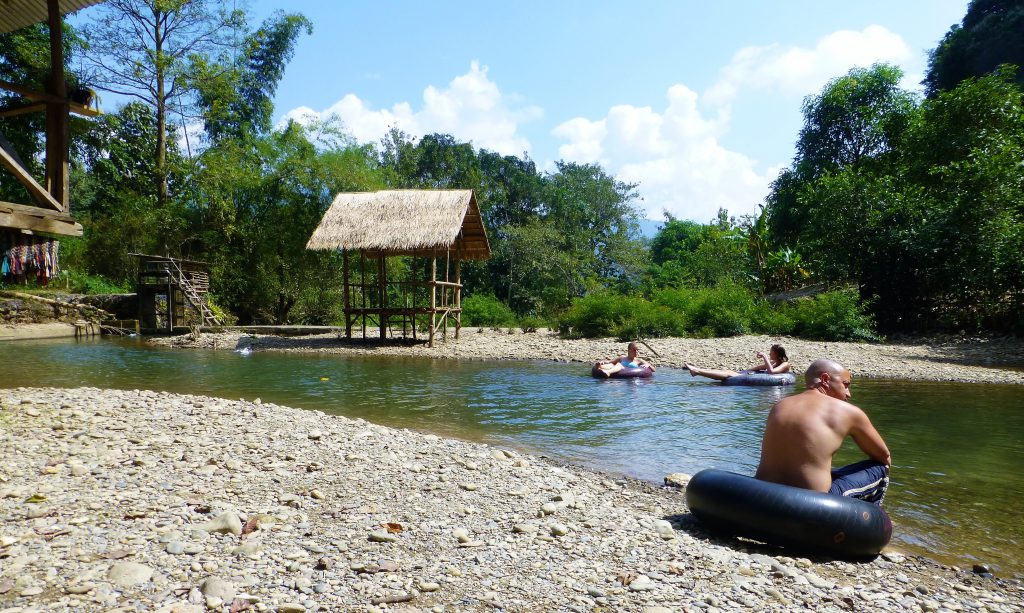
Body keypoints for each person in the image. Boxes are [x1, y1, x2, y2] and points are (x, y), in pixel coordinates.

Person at [755, 358, 891, 505]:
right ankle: (875, 520)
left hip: (764, 495)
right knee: (880, 468)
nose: (849, 394)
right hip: (814, 504)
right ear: (825, 379)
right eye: (845, 385)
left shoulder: (779, 406)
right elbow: (884, 456)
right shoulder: (848, 412)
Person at [684, 344, 790, 381]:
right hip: (756, 377)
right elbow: (758, 368)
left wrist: (764, 356)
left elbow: (771, 372)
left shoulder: (785, 364)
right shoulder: (774, 362)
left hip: (774, 382)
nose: (770, 354)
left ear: (776, 353)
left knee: (728, 374)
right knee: (728, 371)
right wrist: (742, 372)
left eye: (771, 353)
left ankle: (697, 371)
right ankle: (697, 370)